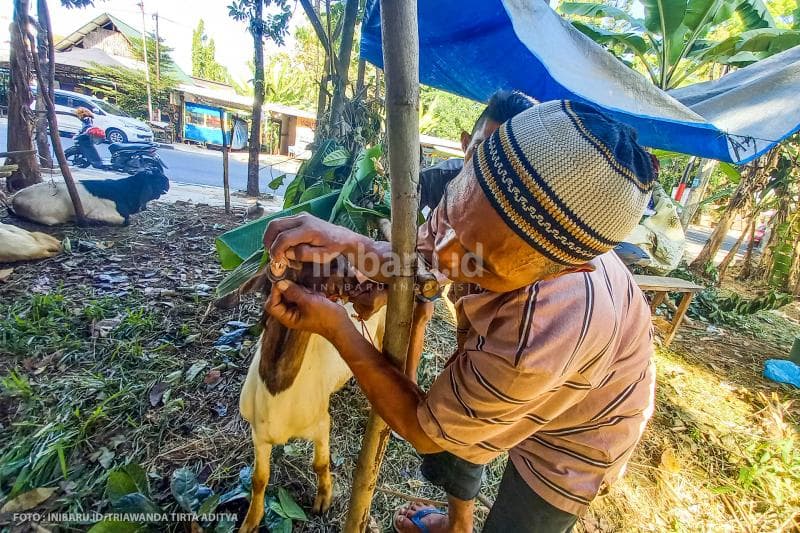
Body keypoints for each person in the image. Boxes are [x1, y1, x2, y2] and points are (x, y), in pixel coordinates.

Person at [263, 100, 656, 532]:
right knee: (467, 427)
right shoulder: (480, 215)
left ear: (566, 268)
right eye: (451, 214)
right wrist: (347, 244)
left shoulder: (537, 340)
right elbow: (426, 260)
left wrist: (336, 326)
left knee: (521, 520)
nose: (447, 259)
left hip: (584, 428)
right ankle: (457, 526)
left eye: (479, 261)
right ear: (472, 159)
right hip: (521, 366)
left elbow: (423, 430)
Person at [419, 90, 537, 213]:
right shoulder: (437, 178)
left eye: (505, 159)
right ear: (465, 143)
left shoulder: (527, 209)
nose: (486, 167)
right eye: (479, 150)